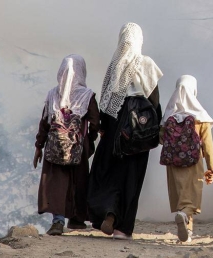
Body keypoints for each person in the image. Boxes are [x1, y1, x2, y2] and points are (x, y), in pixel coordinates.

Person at [87, 22, 163, 240]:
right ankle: (123, 229)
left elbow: (107, 102)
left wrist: (103, 128)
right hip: (138, 127)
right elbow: (154, 102)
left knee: (108, 172)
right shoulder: (147, 63)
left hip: (114, 126)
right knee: (132, 177)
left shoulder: (114, 66)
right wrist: (154, 131)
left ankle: (108, 211)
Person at [33, 54, 100, 235]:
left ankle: (57, 221)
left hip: (54, 148)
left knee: (57, 184)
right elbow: (95, 122)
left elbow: (45, 122)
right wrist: (88, 141)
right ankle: (76, 219)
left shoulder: (52, 94)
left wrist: (39, 146)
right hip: (78, 147)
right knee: (78, 182)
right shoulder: (87, 96)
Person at [160, 75, 213, 242]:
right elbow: (208, 145)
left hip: (173, 165)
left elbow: (161, 139)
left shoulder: (169, 115)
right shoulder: (200, 117)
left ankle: (187, 229)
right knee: (192, 197)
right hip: (194, 163)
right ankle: (184, 216)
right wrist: (211, 167)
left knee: (181, 196)